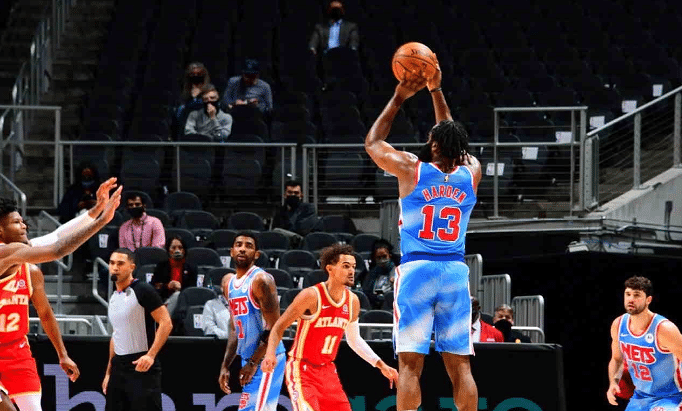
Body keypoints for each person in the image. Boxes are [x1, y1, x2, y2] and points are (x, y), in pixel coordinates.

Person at [364, 55, 482, 411]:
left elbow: (373, 142)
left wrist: (399, 97)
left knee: (410, 365)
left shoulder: (412, 169)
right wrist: (436, 90)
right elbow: (451, 135)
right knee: (460, 365)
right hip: (455, 271)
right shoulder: (472, 172)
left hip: (417, 269)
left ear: (433, 145)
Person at [0, 178, 122, 411]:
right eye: (16, 222)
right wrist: (102, 221)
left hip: (16, 353)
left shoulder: (26, 265)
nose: (24, 226)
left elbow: (57, 236)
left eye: (23, 221)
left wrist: (96, 210)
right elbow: (58, 250)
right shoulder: (6, 253)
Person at [261, 244, 398, 411]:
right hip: (302, 369)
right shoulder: (311, 295)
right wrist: (270, 354)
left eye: (353, 267)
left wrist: (381, 365)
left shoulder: (353, 301)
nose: (351, 271)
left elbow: (354, 340)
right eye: (346, 266)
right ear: (330, 269)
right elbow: (278, 327)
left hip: (328, 371)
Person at [217, 232, 285, 411]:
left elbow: (276, 328)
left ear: (256, 255)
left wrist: (253, 363)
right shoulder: (228, 283)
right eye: (238, 244)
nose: (242, 249)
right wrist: (225, 365)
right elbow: (234, 328)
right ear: (231, 251)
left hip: (267, 358)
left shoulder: (261, 280)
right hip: (249, 358)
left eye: (248, 246)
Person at [102, 248, 172, 411]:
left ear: (132, 267)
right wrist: (108, 373)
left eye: (120, 264)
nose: (115, 268)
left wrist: (150, 356)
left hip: (141, 366)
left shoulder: (143, 290)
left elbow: (166, 322)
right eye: (112, 263)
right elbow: (116, 334)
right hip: (118, 368)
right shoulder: (114, 297)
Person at [606, 276, 682, 411]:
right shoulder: (618, 325)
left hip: (671, 397)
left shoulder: (664, 329)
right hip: (641, 396)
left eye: (636, 295)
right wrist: (613, 382)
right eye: (628, 294)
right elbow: (616, 359)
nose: (631, 299)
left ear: (648, 300)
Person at [150, 235, 198, 314]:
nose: (177, 250)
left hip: (184, 302)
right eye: (173, 248)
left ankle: (165, 318)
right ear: (168, 250)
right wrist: (167, 286)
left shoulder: (191, 268)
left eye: (180, 248)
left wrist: (181, 288)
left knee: (177, 295)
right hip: (164, 300)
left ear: (184, 250)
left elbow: (192, 290)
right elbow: (154, 286)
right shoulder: (161, 266)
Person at [271, 180, 318, 247]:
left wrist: (283, 230)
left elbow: (303, 230)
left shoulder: (308, 208)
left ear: (301, 195)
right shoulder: (280, 210)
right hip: (282, 244)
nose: (293, 195)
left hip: (302, 245)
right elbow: (274, 231)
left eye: (296, 193)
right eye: (290, 192)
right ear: (285, 195)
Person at [174, 62, 211, 138]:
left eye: (198, 74)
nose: (195, 76)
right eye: (193, 74)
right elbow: (181, 104)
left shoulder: (209, 89)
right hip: (186, 118)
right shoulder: (184, 89)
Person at [357, 239, 396, 309]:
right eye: (379, 257)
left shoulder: (398, 272)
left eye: (384, 256)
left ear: (389, 256)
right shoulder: (371, 274)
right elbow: (366, 292)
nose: (382, 260)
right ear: (375, 258)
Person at [201, 274, 231, 339]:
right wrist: (230, 337)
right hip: (221, 343)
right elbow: (209, 329)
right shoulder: (210, 305)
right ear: (222, 288)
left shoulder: (245, 304)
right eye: (230, 283)